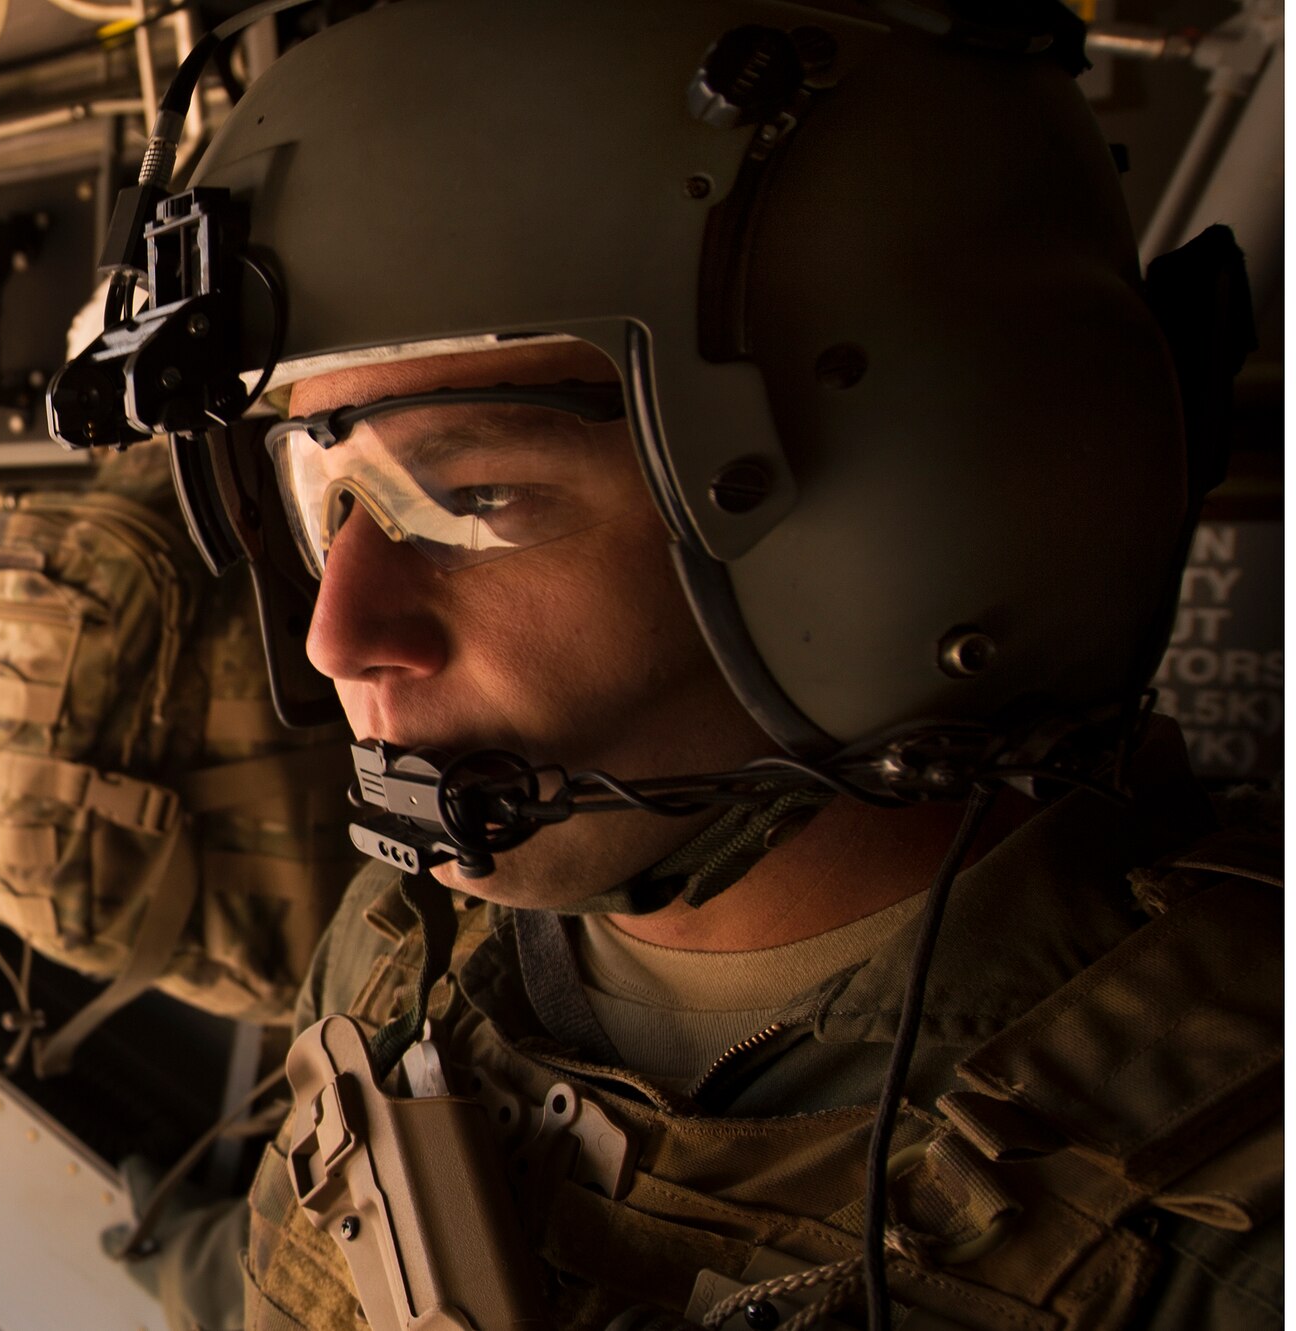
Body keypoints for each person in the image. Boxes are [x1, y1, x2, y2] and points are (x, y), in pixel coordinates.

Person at [62, 1, 1279, 1327]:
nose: (335, 631)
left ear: (923, 509)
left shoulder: (1232, 1217)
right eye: (326, 501)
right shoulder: (408, 953)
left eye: (471, 503)